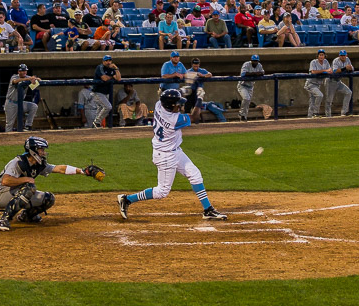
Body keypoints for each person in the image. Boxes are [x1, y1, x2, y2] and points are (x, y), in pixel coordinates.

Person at [117, 88, 227, 222]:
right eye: (177, 104)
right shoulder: (174, 119)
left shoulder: (159, 105)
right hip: (165, 156)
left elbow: (167, 96)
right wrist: (199, 99)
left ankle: (208, 210)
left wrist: (184, 89)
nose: (180, 106)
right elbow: (195, 117)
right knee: (161, 192)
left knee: (195, 175)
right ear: (170, 106)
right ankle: (127, 199)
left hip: (174, 151)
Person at [0, 136, 98, 231]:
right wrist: (25, 179)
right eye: (41, 149)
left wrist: (83, 171)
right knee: (29, 188)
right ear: (33, 150)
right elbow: (6, 181)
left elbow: (59, 168)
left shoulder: (38, 164)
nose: (43, 152)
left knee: (48, 199)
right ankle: (3, 219)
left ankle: (27, 216)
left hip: (14, 192)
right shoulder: (17, 162)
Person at [4, 64, 40, 132]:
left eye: (25, 71)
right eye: (22, 71)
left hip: (20, 103)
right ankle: (8, 140)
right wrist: (29, 79)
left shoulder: (28, 77)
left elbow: (36, 84)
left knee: (33, 106)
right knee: (9, 124)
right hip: (11, 103)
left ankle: (28, 125)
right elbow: (15, 81)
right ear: (19, 71)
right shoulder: (14, 76)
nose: (24, 72)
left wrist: (35, 80)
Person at [89, 55, 121, 128]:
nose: (108, 62)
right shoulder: (100, 67)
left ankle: (95, 126)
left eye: (109, 60)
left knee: (100, 109)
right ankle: (97, 122)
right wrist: (112, 77)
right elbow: (104, 78)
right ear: (103, 61)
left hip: (106, 93)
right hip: (97, 92)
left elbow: (118, 79)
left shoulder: (112, 69)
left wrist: (116, 69)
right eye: (106, 61)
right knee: (108, 107)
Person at [237, 53, 265, 121]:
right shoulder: (246, 64)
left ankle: (243, 116)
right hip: (242, 85)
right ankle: (242, 114)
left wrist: (255, 74)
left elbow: (262, 72)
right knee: (246, 98)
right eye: (254, 60)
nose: (255, 62)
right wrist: (255, 74)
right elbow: (243, 74)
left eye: (256, 61)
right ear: (251, 60)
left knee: (248, 101)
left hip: (250, 86)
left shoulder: (259, 65)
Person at [325, 49, 354, 117]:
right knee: (329, 100)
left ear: (346, 55)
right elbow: (335, 71)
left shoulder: (347, 59)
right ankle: (328, 116)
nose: (343, 57)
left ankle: (344, 112)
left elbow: (352, 68)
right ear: (339, 56)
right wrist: (345, 68)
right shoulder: (336, 60)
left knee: (348, 92)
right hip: (331, 81)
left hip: (338, 81)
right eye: (341, 55)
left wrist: (350, 68)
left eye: (344, 55)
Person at [305, 50, 331, 118]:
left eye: (322, 55)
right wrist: (324, 71)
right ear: (317, 56)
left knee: (312, 102)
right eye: (320, 55)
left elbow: (330, 71)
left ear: (324, 56)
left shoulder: (326, 62)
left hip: (317, 84)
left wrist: (327, 71)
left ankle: (310, 117)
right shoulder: (313, 62)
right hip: (310, 84)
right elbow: (313, 72)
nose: (321, 56)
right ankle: (315, 113)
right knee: (320, 95)